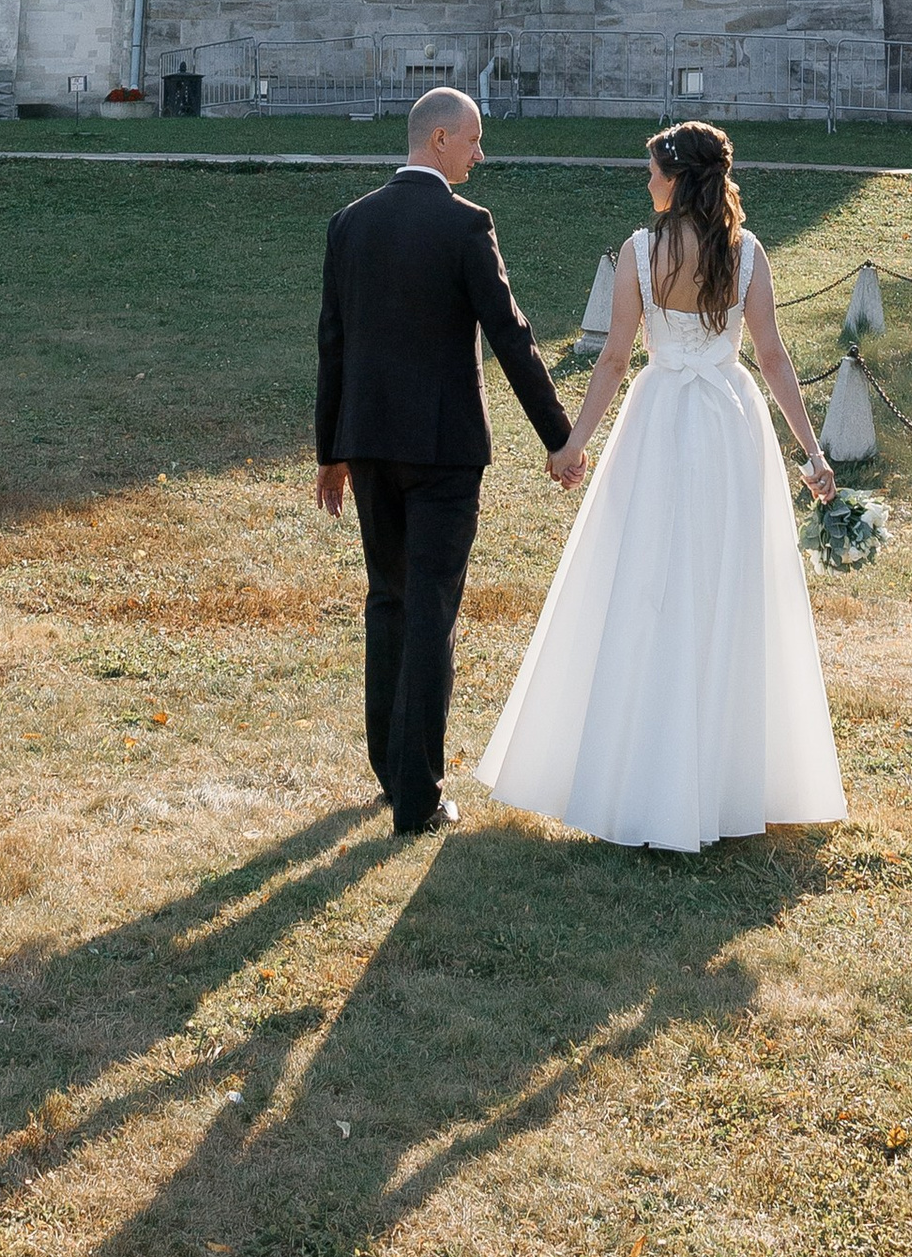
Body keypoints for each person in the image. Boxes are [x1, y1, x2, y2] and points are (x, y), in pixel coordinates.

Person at [476, 118, 846, 852]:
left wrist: (574, 444)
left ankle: (641, 773)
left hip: (660, 419)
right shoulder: (747, 253)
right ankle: (727, 776)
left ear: (676, 176)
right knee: (727, 586)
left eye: (652, 169)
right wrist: (813, 452)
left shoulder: (641, 252)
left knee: (647, 582)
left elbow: (614, 358)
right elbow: (771, 358)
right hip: (731, 422)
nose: (646, 181)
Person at [315, 84, 581, 835]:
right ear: (438, 140)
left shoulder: (350, 224)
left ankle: (388, 770)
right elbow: (512, 334)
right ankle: (418, 796)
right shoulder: (467, 224)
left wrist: (332, 452)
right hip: (443, 452)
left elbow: (332, 344)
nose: (480, 152)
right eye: (473, 138)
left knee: (388, 601)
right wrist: (558, 437)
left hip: (368, 447)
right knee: (430, 609)